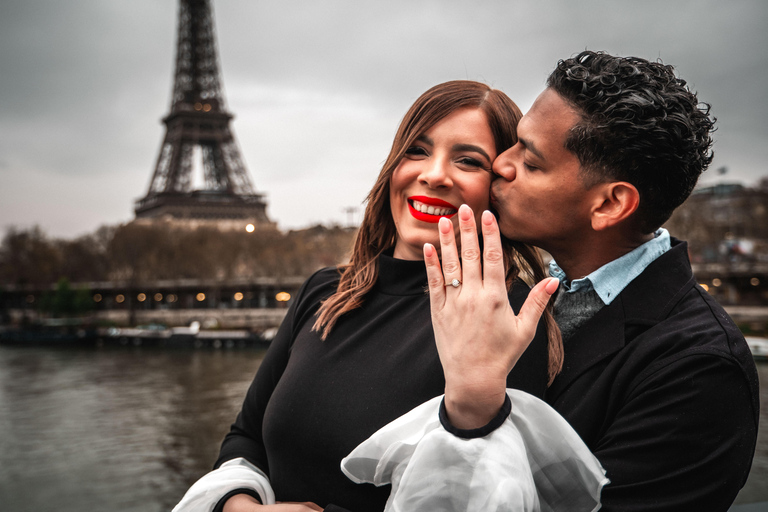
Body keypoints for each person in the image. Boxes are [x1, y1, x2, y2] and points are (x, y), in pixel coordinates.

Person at [171, 80, 570, 512]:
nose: (433, 174)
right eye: (416, 150)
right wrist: (239, 506)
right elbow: (246, 436)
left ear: (498, 185)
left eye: (468, 161)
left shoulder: (505, 314)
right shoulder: (326, 290)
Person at [424, 51, 760, 511]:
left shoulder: (699, 371)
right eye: (516, 143)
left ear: (609, 205)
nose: (501, 164)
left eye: (532, 161)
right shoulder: (511, 291)